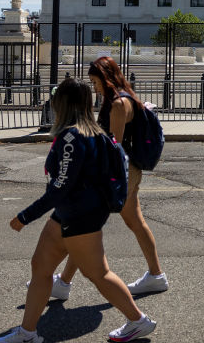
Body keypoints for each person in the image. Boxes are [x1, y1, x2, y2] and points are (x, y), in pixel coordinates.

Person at [0, 78, 156, 343]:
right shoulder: (96, 133)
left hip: (79, 216)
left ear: (63, 103)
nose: (52, 102)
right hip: (71, 213)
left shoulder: (71, 137)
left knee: (99, 274)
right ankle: (27, 332)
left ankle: (138, 320)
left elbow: (59, 187)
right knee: (41, 268)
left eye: (55, 97)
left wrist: (25, 216)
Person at [51, 57, 168, 299]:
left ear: (106, 78)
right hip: (129, 171)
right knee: (133, 222)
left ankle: (63, 282)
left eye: (95, 81)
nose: (94, 87)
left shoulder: (117, 104)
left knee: (85, 225)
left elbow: (112, 147)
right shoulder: (125, 96)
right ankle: (156, 275)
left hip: (118, 173)